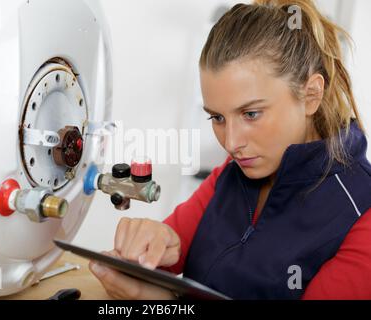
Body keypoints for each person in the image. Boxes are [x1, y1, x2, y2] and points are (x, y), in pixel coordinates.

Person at [89, 0, 371, 300]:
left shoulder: (362, 211)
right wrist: (148, 247)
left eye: (251, 114)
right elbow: (166, 253)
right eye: (218, 118)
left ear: (311, 94)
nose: (231, 143)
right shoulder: (231, 174)